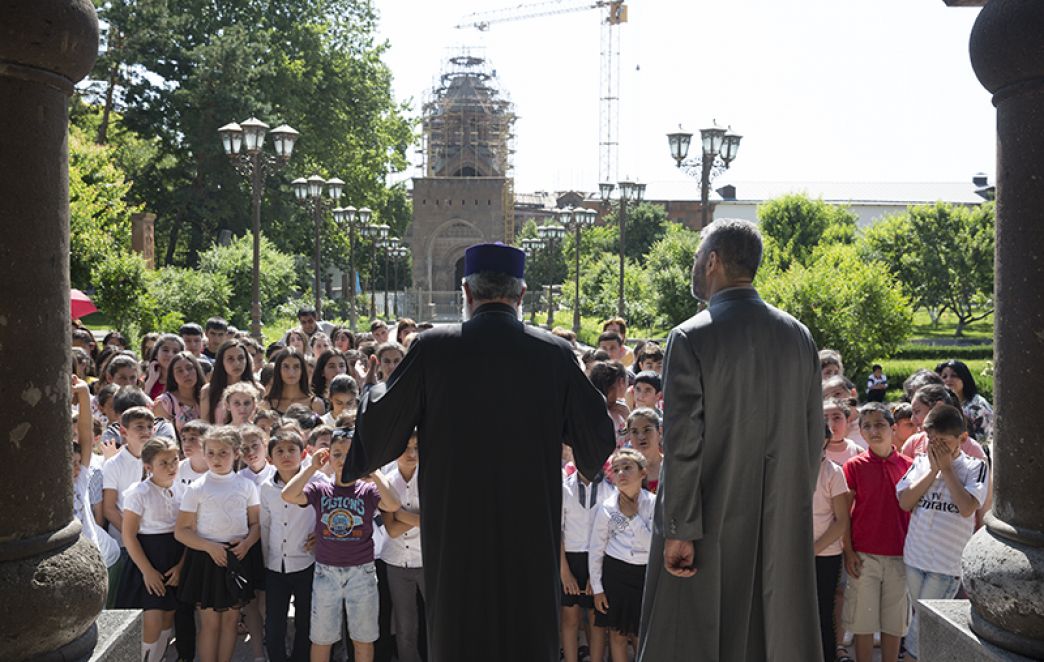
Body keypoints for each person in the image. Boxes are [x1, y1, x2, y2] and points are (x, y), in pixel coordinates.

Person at [345, 242, 616, 662]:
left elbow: (381, 422)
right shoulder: (554, 353)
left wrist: (375, 387)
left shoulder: (433, 348)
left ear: (466, 294)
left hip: (457, 528)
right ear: (521, 295)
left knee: (460, 630)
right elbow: (597, 439)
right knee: (526, 630)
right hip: (529, 526)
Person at [638, 218, 824, 662]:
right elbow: (813, 433)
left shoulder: (691, 336)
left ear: (714, 261)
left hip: (708, 524)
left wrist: (680, 529)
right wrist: (788, 498)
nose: (694, 264)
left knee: (697, 639)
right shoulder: (799, 336)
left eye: (698, 255)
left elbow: (683, 444)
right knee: (773, 637)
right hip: (781, 522)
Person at [282, 430, 401, 662]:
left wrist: (374, 472)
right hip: (326, 572)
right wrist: (311, 468)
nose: (342, 459)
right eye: (336, 453)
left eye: (349, 454)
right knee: (321, 639)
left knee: (363, 639)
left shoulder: (367, 490)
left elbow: (393, 503)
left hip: (362, 574)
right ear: (328, 457)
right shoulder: (320, 489)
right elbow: (288, 495)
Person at [896, 404, 989, 661]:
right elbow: (905, 502)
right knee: (922, 620)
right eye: (931, 440)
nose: (935, 446)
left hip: (945, 564)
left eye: (943, 441)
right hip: (915, 557)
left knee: (925, 622)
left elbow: (967, 507)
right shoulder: (921, 462)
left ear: (962, 439)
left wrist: (947, 470)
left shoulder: (975, 467)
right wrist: (933, 471)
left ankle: (909, 657)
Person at [175, 426, 262, 662]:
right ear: (203, 453)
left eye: (223, 453)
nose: (216, 458)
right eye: (211, 453)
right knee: (210, 623)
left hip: (237, 557)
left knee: (232, 621)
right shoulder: (196, 488)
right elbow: (181, 531)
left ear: (236, 453)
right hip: (206, 559)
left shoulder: (247, 486)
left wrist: (246, 544)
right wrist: (208, 547)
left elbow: (256, 525)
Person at [842, 403, 913, 662]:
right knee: (862, 620)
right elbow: (844, 513)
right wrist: (848, 551)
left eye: (880, 424)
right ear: (860, 432)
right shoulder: (853, 466)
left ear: (893, 428)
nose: (874, 431)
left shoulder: (910, 466)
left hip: (900, 554)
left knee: (894, 623)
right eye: (867, 426)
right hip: (863, 555)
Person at [117, 436, 186, 662]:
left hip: (174, 560)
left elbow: (188, 531)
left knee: (168, 617)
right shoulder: (138, 493)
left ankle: (159, 658)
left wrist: (181, 566)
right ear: (149, 467)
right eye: (163, 463)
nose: (171, 467)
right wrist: (147, 570)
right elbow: (129, 535)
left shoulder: (183, 490)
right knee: (152, 620)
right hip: (147, 560)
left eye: (174, 461)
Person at [589, 448, 654, 662]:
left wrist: (633, 518)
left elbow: (653, 544)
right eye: (616, 469)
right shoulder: (607, 509)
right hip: (616, 575)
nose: (621, 473)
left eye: (627, 467)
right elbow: (597, 549)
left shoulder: (653, 504)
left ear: (643, 473)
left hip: (644, 575)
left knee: (642, 634)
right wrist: (598, 589)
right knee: (617, 634)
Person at [260, 430, 319, 662]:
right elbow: (265, 525)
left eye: (292, 450)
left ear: (303, 453)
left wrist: (321, 535)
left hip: (307, 562)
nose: (286, 455)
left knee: (306, 621)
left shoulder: (317, 481)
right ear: (270, 459)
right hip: (276, 565)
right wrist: (266, 562)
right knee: (274, 624)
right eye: (279, 451)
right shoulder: (265, 487)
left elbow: (327, 513)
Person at [101, 406, 154, 607]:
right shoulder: (114, 464)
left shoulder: (158, 460)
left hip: (153, 539)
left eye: (150, 427)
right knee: (127, 601)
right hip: (124, 543)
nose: (146, 432)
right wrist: (132, 534)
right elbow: (109, 508)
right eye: (139, 427)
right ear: (124, 432)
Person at [561, 461, 613, 662]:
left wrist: (596, 575)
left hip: (599, 558)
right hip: (570, 558)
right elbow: (558, 531)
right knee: (570, 617)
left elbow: (613, 532)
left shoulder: (610, 490)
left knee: (596, 618)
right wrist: (564, 572)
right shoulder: (564, 488)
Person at [382, 433, 426, 662]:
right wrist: (420, 519)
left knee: (438, 620)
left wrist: (398, 512)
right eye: (405, 448)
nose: (411, 454)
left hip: (427, 561)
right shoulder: (386, 480)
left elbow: (436, 521)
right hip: (396, 561)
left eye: (417, 447)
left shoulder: (431, 477)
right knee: (404, 624)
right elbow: (391, 529)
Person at [813, 424, 851, 662]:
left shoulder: (833, 472)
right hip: (791, 555)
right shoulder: (788, 470)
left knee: (823, 614)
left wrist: (812, 551)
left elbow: (841, 521)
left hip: (825, 555)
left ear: (826, 440)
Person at [935, 359, 994, 444]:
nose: (948, 380)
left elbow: (985, 440)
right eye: (944, 377)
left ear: (964, 378)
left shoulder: (977, 406)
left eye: (954, 375)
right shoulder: (942, 403)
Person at [152, 351, 204, 436]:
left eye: (189, 368)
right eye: (179, 371)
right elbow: (161, 438)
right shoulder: (165, 403)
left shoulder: (206, 397)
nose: (186, 374)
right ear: (173, 376)